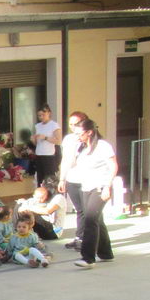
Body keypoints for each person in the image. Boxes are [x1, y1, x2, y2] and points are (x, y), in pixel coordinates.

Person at [63, 118, 117, 268]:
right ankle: (106, 253)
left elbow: (113, 166)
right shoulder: (82, 147)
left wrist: (108, 186)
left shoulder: (103, 146)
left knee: (90, 220)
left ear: (89, 132)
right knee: (96, 219)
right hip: (86, 187)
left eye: (80, 133)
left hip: (100, 187)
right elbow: (73, 163)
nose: (77, 136)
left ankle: (88, 258)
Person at [58, 112, 88, 250]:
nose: (73, 127)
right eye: (71, 124)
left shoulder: (90, 139)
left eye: (76, 124)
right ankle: (79, 237)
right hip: (72, 178)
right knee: (79, 210)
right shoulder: (69, 139)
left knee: (87, 210)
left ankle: (85, 238)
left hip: (86, 179)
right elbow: (65, 160)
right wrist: (62, 179)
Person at [33, 104, 62, 185]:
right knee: (40, 180)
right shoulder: (38, 126)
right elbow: (37, 144)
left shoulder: (54, 125)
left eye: (43, 115)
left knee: (49, 180)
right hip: (39, 154)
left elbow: (58, 141)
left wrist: (45, 137)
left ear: (49, 113)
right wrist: (33, 139)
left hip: (49, 155)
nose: (41, 117)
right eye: (39, 115)